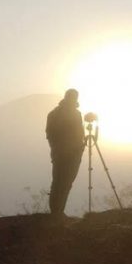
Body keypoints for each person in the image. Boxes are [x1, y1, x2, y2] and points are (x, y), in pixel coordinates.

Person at [45, 88, 85, 216]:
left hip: (63, 154)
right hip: (68, 154)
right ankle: (57, 211)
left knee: (61, 182)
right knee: (63, 182)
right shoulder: (71, 114)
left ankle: (57, 211)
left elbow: (49, 135)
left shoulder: (54, 114)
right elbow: (79, 135)